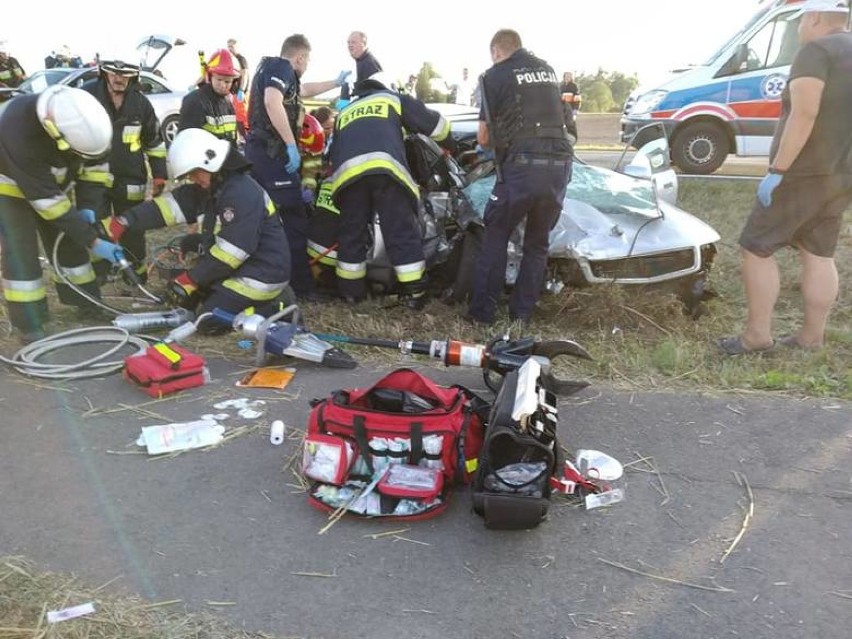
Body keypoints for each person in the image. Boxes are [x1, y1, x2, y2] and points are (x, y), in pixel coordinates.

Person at [717, 0, 852, 355]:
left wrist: (778, 170)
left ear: (815, 17)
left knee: (755, 248)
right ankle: (812, 336)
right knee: (818, 252)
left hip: (802, 171)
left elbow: (805, 113)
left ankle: (756, 336)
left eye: (800, 22)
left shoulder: (815, 52)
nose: (798, 30)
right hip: (841, 172)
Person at [96, 128, 291, 333]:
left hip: (260, 276)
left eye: (194, 173)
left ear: (211, 163)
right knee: (185, 304)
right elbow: (165, 208)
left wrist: (192, 278)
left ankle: (276, 307)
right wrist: (126, 221)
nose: (192, 179)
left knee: (207, 321)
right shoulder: (211, 188)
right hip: (237, 269)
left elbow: (234, 251)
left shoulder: (241, 193)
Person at [0, 85, 123, 342]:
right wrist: (93, 241)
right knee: (21, 253)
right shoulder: (17, 128)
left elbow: (95, 170)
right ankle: (29, 323)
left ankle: (86, 302)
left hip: (52, 186)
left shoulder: (89, 120)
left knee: (68, 243)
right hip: (9, 189)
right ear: (57, 136)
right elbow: (48, 203)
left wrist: (88, 206)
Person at [466, 29, 573, 326]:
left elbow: (484, 137)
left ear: (496, 51)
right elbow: (566, 122)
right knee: (538, 243)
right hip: (559, 165)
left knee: (496, 234)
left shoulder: (494, 75)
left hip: (523, 167)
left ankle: (482, 314)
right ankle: (522, 315)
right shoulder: (549, 72)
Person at [326, 74, 455, 309]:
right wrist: (451, 143)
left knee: (351, 234)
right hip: (385, 171)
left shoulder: (345, 112)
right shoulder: (392, 99)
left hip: (347, 177)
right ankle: (415, 292)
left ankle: (351, 293)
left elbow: (332, 149)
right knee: (400, 231)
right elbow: (437, 126)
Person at [244, 33, 349, 300]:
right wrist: (291, 144)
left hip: (260, 152)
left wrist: (335, 83)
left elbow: (304, 90)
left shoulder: (273, 71)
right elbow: (271, 101)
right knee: (294, 218)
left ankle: (259, 273)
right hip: (272, 154)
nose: (307, 66)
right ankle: (302, 288)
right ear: (300, 57)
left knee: (261, 216)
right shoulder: (281, 67)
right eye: (308, 60)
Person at [77, 54, 168, 282]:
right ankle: (101, 273)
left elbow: (154, 141)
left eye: (125, 73)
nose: (119, 77)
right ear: (104, 72)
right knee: (95, 224)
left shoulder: (140, 103)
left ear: (133, 75)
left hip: (131, 176)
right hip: (91, 175)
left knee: (133, 226)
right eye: (114, 72)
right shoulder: (86, 96)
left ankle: (135, 274)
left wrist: (159, 175)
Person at [179, 49, 241, 146]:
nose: (223, 85)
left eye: (227, 82)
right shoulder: (195, 101)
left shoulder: (228, 104)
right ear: (210, 76)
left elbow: (232, 141)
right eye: (219, 79)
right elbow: (186, 143)